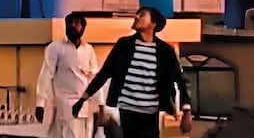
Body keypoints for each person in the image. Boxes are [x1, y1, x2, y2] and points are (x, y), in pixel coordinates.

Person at [73, 7, 192, 138]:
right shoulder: (124, 45)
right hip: (128, 109)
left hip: (151, 112)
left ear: (153, 23)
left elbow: (180, 79)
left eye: (142, 15)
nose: (136, 17)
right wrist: (84, 98)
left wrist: (186, 110)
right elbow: (104, 73)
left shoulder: (165, 51)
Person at [34, 12, 101, 138]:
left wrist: (101, 105)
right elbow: (46, 74)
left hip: (84, 106)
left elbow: (95, 79)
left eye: (76, 23)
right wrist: (40, 104)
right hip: (62, 103)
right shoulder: (56, 47)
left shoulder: (88, 50)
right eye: (69, 23)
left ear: (83, 27)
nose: (72, 26)